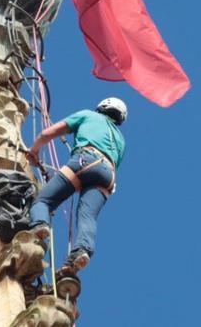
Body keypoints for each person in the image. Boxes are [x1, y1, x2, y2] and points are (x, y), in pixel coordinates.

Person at [25, 97, 127, 274]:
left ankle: (40, 225)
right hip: (108, 176)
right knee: (87, 216)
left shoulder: (88, 115)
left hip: (85, 160)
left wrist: (34, 150)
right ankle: (81, 252)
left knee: (43, 201)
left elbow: (47, 134)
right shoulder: (120, 139)